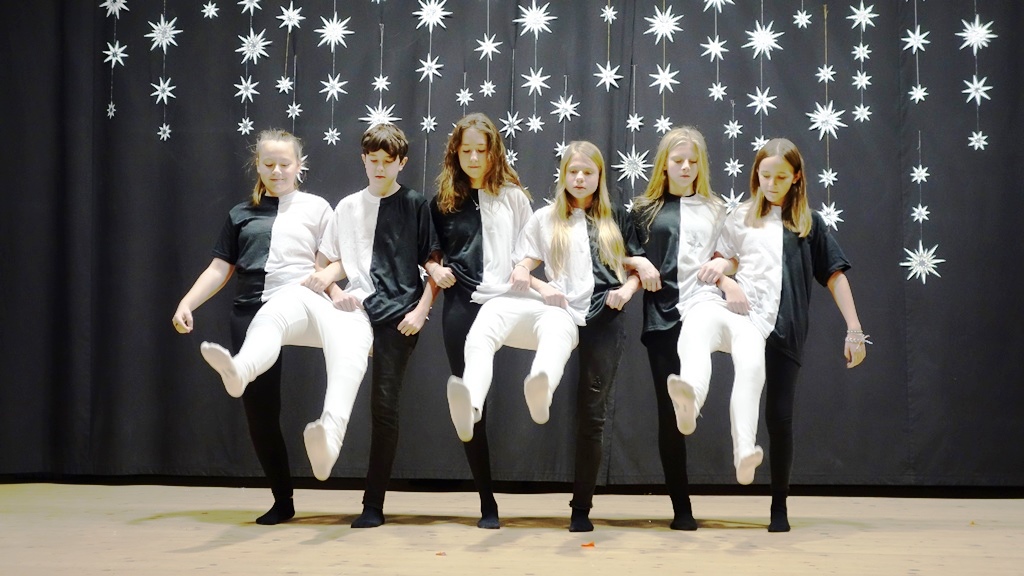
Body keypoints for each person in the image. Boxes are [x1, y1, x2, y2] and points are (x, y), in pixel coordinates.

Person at [171, 129, 360, 525]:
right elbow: (220, 268)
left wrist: (333, 285)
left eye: (285, 164)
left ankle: (329, 433)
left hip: (303, 303)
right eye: (269, 164)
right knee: (260, 412)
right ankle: (282, 499)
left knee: (344, 353)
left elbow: (339, 258)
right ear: (257, 165)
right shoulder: (241, 214)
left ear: (299, 166)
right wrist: (187, 303)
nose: (277, 171)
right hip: (252, 310)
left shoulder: (317, 208)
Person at [712, 138, 867, 532]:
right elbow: (720, 261)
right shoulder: (740, 218)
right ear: (756, 175)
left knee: (779, 417)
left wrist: (854, 329)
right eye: (765, 175)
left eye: (781, 176)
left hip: (786, 331)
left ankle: (778, 506)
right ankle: (743, 457)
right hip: (747, 325)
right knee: (743, 398)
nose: (771, 183)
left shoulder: (808, 223)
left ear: (796, 177)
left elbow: (834, 275)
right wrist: (728, 281)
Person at [302, 123, 439, 529]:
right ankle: (327, 440)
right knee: (343, 381)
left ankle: (373, 504)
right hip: (355, 310)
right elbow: (324, 264)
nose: (379, 168)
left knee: (384, 405)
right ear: (363, 159)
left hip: (400, 314)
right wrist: (334, 293)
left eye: (387, 161)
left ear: (402, 163)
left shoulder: (415, 204)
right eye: (373, 160)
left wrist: (421, 312)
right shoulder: (346, 207)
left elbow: (433, 264)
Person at [514, 141, 642, 532]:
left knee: (593, 412)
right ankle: (539, 389)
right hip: (562, 314)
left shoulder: (616, 218)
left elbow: (636, 268)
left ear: (599, 176)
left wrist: (626, 291)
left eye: (588, 172)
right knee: (550, 379)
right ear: (563, 175)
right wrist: (540, 286)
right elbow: (521, 268)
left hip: (605, 316)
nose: (580, 178)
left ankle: (581, 508)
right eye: (574, 172)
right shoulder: (545, 218)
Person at [427, 112, 532, 529]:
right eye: (466, 150)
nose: (473, 158)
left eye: (481, 150)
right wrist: (435, 269)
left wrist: (524, 268)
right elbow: (430, 253)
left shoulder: (513, 196)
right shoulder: (444, 200)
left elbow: (532, 248)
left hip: (509, 303)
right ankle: (487, 503)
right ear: (455, 152)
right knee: (473, 403)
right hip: (462, 304)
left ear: (494, 152)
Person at [628, 127, 724, 530]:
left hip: (703, 312)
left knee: (694, 395)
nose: (686, 167)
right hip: (663, 319)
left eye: (693, 161)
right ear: (664, 164)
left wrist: (724, 267)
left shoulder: (716, 209)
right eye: (678, 160)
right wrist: (638, 261)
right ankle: (681, 508)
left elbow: (730, 255)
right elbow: (621, 253)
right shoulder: (643, 209)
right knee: (671, 414)